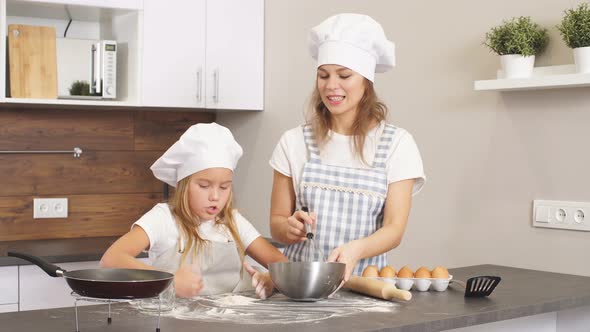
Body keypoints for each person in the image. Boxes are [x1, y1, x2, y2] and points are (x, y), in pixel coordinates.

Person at [269, 13, 426, 281]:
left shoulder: (397, 145)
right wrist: (289, 227)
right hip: (301, 287)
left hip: (365, 286)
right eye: (323, 75)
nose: (331, 86)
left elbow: (394, 229)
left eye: (344, 75)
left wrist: (356, 250)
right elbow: (277, 223)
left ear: (366, 81)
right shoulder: (293, 142)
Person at [101, 123, 287, 299]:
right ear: (184, 185)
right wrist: (169, 281)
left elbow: (285, 268)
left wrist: (271, 280)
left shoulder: (233, 221)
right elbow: (110, 261)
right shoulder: (164, 219)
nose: (215, 196)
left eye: (224, 187)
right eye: (204, 185)